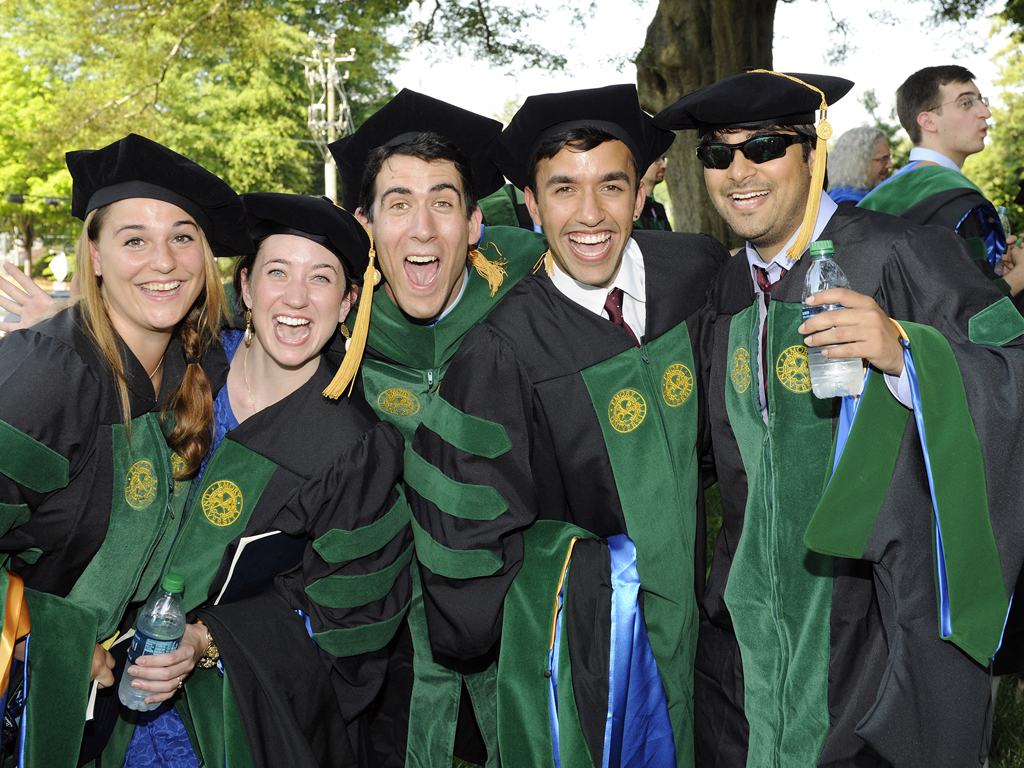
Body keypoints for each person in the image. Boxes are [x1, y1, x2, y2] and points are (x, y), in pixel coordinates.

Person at [654, 69, 1024, 768]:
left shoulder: (900, 253)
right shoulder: (728, 287)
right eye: (717, 153)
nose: (739, 171)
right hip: (745, 633)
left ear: (812, 152)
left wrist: (909, 356)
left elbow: (1013, 362)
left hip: (872, 630)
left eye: (764, 146)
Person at [409, 84, 728, 767]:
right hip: (600, 654)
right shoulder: (502, 351)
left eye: (611, 187)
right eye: (562, 189)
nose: (590, 215)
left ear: (641, 195)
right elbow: (465, 533)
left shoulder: (695, 273)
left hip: (712, 628)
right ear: (529, 203)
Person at [109, 193, 409, 768]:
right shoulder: (178, 367)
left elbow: (351, 624)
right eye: (278, 272)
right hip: (101, 686)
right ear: (245, 288)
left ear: (348, 302)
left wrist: (209, 639)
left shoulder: (353, 448)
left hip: (230, 717)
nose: (296, 299)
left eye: (321, 279)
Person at [0, 133, 253, 766]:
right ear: (96, 254)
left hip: (103, 701)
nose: (162, 261)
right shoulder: (46, 378)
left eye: (183, 237)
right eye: (134, 239)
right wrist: (36, 632)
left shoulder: (197, 366)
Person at [327, 89, 549, 767]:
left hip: (528, 625)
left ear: (476, 223)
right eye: (398, 203)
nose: (422, 230)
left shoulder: (532, 293)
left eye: (443, 202)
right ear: (364, 224)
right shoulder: (330, 327)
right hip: (385, 649)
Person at [859, 66, 1023, 297]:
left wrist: (997, 270)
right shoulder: (952, 199)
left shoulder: (880, 197)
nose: (985, 112)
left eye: (981, 100)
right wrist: (1019, 276)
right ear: (928, 121)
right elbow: (969, 314)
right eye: (966, 103)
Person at [826, 126, 891, 205]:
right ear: (860, 162)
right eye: (883, 159)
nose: (890, 165)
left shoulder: (830, 199)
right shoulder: (849, 204)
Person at [635, 151, 673, 229]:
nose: (664, 165)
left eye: (663, 159)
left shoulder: (659, 209)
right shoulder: (632, 210)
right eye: (657, 160)